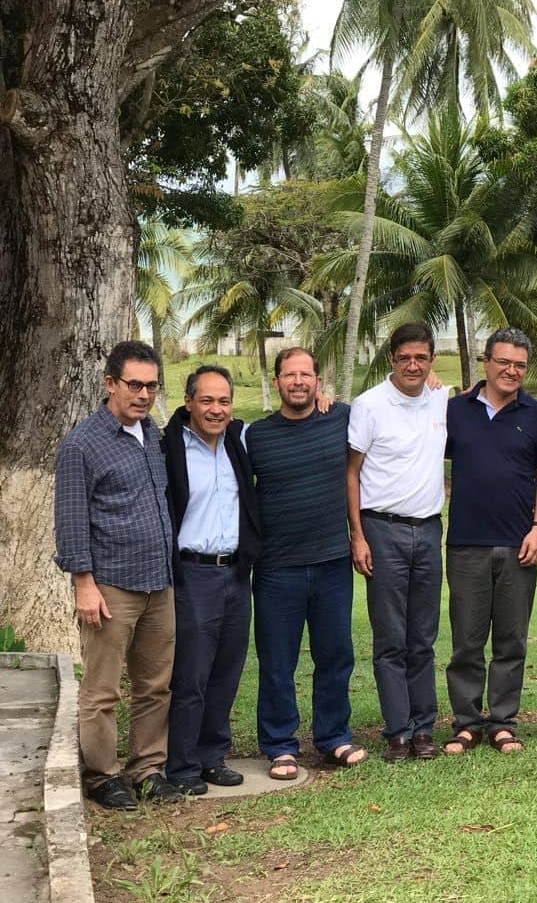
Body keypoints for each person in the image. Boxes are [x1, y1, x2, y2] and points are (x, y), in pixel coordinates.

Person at [54, 341, 180, 808]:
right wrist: (83, 584)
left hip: (159, 584)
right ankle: (103, 776)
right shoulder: (82, 445)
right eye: (135, 385)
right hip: (110, 587)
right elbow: (70, 520)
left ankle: (147, 768)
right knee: (102, 691)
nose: (144, 394)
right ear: (110, 383)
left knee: (155, 685)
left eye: (151, 385)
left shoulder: (153, 434)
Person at [248, 347, 366, 780]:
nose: (298, 381)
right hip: (277, 569)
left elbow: (393, 408)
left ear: (318, 382)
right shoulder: (255, 436)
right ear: (276, 381)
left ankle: (333, 737)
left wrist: (432, 387)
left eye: (306, 374)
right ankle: (280, 745)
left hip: (333, 561)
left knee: (335, 655)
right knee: (277, 660)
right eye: (289, 374)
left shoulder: (341, 419)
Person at [443, 327, 537, 756]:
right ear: (486, 362)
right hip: (466, 542)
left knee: (511, 640)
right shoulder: (454, 410)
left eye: (520, 365)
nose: (511, 371)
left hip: (519, 543)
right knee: (466, 640)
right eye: (503, 362)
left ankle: (503, 721)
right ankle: (467, 722)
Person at [347, 323, 450, 762]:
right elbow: (350, 472)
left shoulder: (441, 400)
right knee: (391, 638)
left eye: (421, 358)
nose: (413, 365)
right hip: (382, 530)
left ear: (431, 362)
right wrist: (357, 534)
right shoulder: (369, 405)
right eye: (404, 357)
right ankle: (398, 732)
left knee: (422, 637)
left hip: (428, 530)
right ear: (391, 358)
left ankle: (424, 729)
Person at [162, 365, 260, 794]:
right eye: (207, 400)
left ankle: (212, 756)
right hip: (193, 574)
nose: (216, 409)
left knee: (226, 671)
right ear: (189, 403)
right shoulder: (169, 446)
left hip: (237, 573)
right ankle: (181, 767)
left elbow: (297, 417)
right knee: (192, 676)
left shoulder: (239, 440)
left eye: (223, 401)